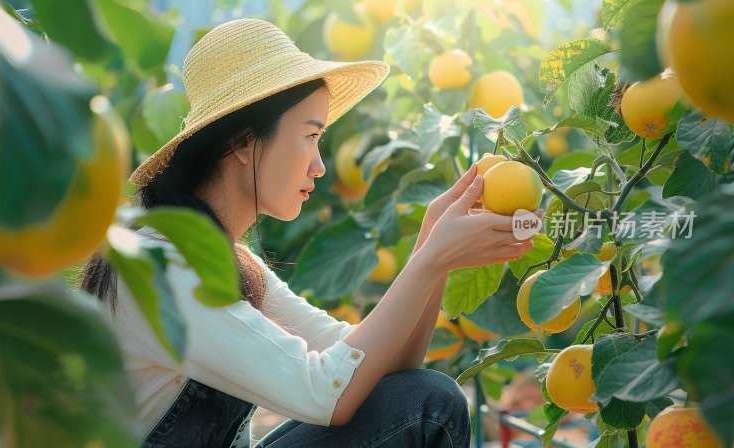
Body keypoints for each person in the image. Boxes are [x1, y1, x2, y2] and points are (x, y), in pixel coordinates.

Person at [78, 18, 538, 448]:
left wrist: (432, 250)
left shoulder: (222, 260)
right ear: (242, 142)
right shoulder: (161, 268)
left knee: (420, 399)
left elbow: (376, 371)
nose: (319, 166)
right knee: (431, 405)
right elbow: (326, 394)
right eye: (310, 136)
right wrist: (431, 259)